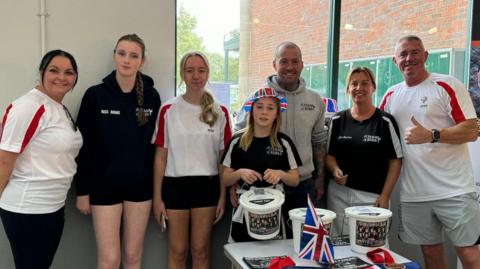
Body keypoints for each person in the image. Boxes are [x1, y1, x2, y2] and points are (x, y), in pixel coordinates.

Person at [380, 35, 480, 269]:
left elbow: (472, 129)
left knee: (469, 255)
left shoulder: (446, 84)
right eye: (403, 54)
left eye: (415, 52)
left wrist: (432, 135)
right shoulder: (391, 96)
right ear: (395, 61)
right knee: (431, 255)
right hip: (415, 193)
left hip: (455, 190)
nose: (409, 58)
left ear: (425, 56)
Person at [74, 34, 161, 269]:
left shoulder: (152, 97)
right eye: (122, 53)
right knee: (110, 259)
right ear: (114, 56)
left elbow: (156, 149)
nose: (127, 60)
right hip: (103, 187)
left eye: (134, 56)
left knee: (133, 256)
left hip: (140, 188)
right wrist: (82, 191)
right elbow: (83, 147)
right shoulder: (95, 95)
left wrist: (157, 193)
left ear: (142, 61)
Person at [233, 41, 327, 238]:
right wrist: (234, 181)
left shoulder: (315, 100)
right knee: (264, 245)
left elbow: (318, 141)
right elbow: (239, 138)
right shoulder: (259, 98)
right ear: (274, 64)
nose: (290, 67)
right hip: (264, 187)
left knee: (301, 242)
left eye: (295, 61)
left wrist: (319, 179)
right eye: (284, 61)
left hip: (303, 185)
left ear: (302, 64)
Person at [0, 49, 82, 269]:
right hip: (28, 209)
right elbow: (4, 159)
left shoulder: (58, 107)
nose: (61, 77)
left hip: (52, 207)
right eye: (54, 70)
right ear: (41, 72)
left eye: (69, 72)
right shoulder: (29, 106)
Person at [152, 51, 231, 269]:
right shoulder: (168, 109)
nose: (196, 76)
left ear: (207, 74)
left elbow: (223, 160)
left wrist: (222, 196)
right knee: (178, 250)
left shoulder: (221, 111)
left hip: (207, 186)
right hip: (174, 186)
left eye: (201, 70)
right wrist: (157, 198)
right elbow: (160, 157)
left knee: (200, 250)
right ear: (182, 74)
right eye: (190, 70)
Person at [326, 67, 402, 236]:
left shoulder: (385, 121)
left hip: (372, 197)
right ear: (348, 89)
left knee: (371, 246)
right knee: (339, 243)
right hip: (339, 195)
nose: (359, 88)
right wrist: (335, 170)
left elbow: (396, 161)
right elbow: (330, 156)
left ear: (373, 87)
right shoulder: (337, 120)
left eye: (365, 83)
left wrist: (385, 196)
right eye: (354, 84)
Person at [221, 87, 302, 242]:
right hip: (244, 207)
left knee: (274, 257)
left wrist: (281, 174)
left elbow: (295, 179)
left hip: (274, 206)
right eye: (259, 107)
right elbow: (224, 179)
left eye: (270, 108)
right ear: (251, 110)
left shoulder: (284, 142)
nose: (264, 112)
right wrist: (239, 173)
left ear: (277, 114)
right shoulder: (237, 141)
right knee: (240, 256)